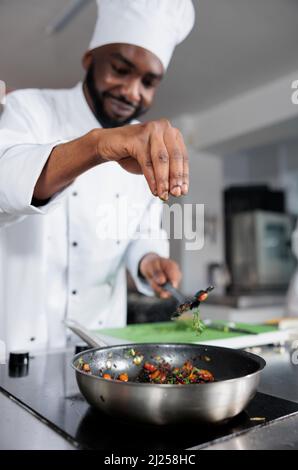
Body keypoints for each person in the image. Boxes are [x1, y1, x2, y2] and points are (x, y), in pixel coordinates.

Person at [0, 0, 195, 352]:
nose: (132, 92)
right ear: (90, 59)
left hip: (102, 347)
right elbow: (5, 182)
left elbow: (142, 231)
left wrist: (149, 260)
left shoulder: (147, 144)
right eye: (120, 70)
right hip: (22, 341)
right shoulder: (29, 108)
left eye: (148, 82)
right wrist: (96, 146)